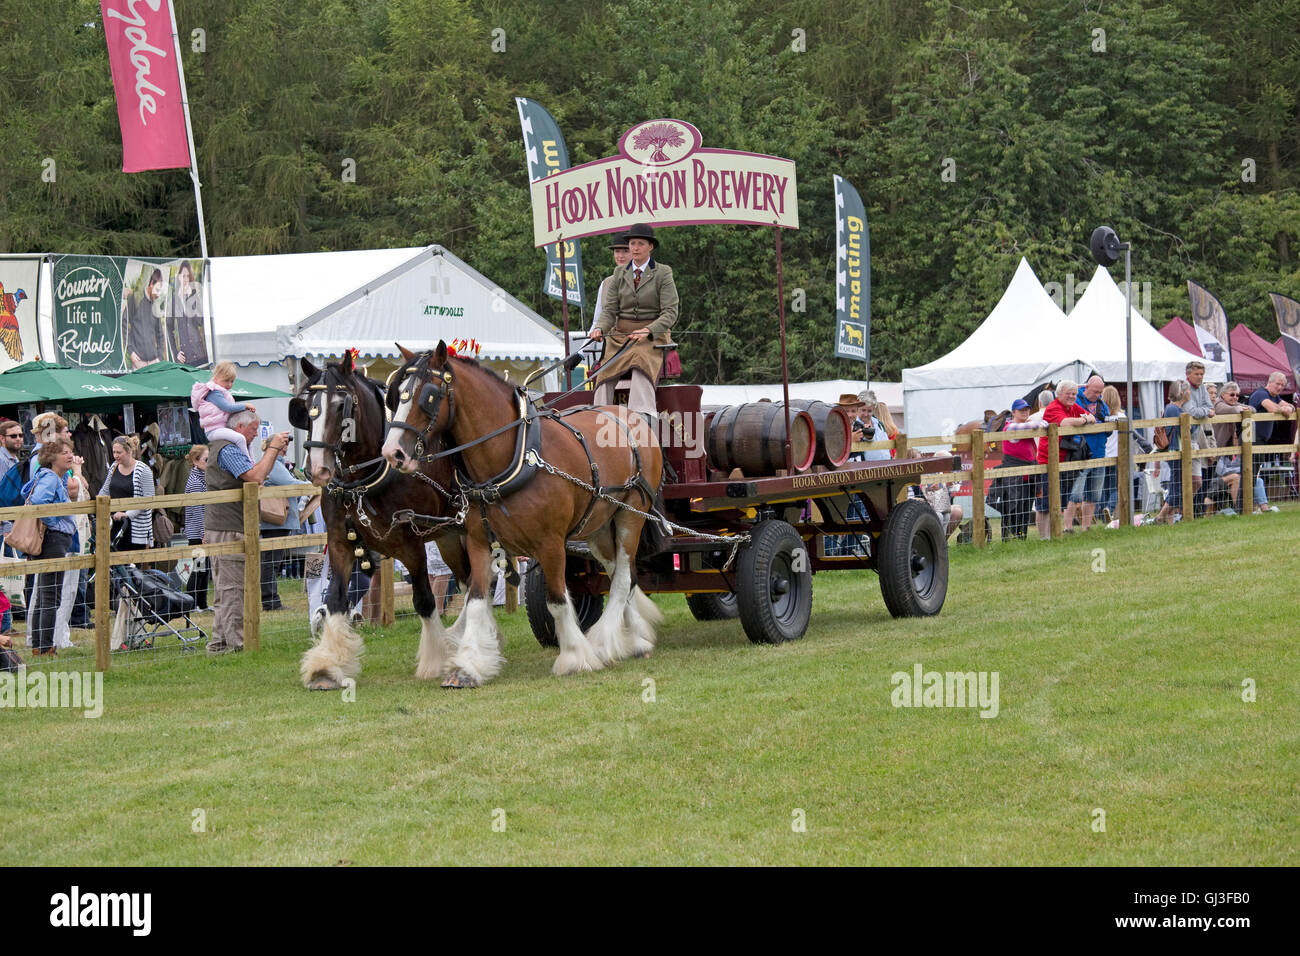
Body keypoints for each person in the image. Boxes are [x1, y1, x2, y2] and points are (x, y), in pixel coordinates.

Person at [203, 410, 290, 655]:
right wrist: (272, 448)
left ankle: (219, 644)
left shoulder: (226, 446)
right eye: (253, 431)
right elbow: (255, 477)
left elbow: (257, 479)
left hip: (224, 526)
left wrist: (270, 452)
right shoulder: (229, 449)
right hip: (229, 527)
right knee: (233, 589)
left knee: (225, 589)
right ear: (239, 427)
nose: (254, 436)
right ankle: (236, 644)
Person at [590, 223, 678, 418]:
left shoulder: (663, 273)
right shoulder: (618, 274)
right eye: (632, 244)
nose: (635, 248)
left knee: (640, 363)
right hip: (620, 336)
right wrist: (599, 328)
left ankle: (642, 416)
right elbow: (610, 310)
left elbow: (670, 313)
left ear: (650, 247)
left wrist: (648, 330)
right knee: (604, 373)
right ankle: (599, 415)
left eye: (640, 243)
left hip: (650, 337)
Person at [22, 439, 78, 657]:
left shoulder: (58, 478)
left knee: (46, 593)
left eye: (70, 452)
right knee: (50, 595)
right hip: (53, 540)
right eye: (65, 452)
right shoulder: (50, 477)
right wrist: (54, 524)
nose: (70, 456)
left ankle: (39, 644)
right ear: (52, 457)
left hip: (53, 539)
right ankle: (45, 647)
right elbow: (38, 503)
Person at [1035, 380, 1095, 537]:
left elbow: (1092, 417)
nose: (1072, 396)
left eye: (1074, 394)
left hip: (1065, 462)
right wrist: (1083, 420)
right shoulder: (1054, 408)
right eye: (1068, 393)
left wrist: (1086, 418)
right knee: (1045, 503)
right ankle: (1044, 537)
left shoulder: (1073, 407)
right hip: (1047, 462)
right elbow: (1065, 423)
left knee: (1058, 502)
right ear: (1058, 394)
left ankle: (1053, 535)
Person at [1212, 381, 1271, 514]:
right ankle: (1240, 509)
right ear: (1223, 394)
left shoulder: (1234, 404)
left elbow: (1253, 409)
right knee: (1239, 478)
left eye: (1237, 395)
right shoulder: (1218, 403)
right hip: (1215, 454)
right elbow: (1231, 410)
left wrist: (1244, 408)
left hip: (1227, 456)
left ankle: (1261, 509)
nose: (1235, 398)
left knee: (1255, 479)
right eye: (1231, 395)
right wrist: (1243, 408)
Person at [258, 443, 300, 612]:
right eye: (283, 445)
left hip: (276, 520)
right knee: (271, 562)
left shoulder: (275, 463)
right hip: (276, 521)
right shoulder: (274, 464)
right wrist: (313, 484)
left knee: (272, 561)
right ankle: (270, 601)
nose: (286, 447)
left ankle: (271, 600)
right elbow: (289, 483)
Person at [990, 398, 1038, 539]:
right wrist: (1036, 423)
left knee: (1024, 509)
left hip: (1027, 476)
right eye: (1021, 410)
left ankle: (1021, 537)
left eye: (1027, 409)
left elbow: (1042, 425)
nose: (1025, 412)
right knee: (1012, 509)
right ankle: (1008, 538)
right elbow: (1038, 426)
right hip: (1013, 477)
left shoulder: (1024, 425)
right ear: (1014, 412)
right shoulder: (1011, 427)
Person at [98, 435, 155, 551]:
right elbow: (104, 491)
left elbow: (148, 500)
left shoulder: (144, 470)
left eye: (119, 452)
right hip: (114, 523)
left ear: (129, 451)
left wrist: (127, 514)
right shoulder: (114, 466)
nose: (115, 456)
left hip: (135, 528)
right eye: (114, 452)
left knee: (132, 565)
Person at [1067, 374, 1109, 531]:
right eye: (1095, 391)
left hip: (1099, 453)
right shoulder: (1075, 402)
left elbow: (1107, 427)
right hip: (1080, 453)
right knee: (1075, 494)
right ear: (1087, 387)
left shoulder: (1102, 405)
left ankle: (1086, 526)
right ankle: (1067, 526)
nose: (1097, 395)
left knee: (1094, 494)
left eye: (1100, 392)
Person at [1247, 371, 1295, 502]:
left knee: (1255, 472)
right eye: (1277, 384)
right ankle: (1246, 504)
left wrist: (1289, 408)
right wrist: (1284, 409)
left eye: (1283, 385)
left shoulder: (1276, 397)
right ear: (1270, 382)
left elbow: (1290, 406)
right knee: (1250, 472)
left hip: (1261, 440)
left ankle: (1252, 504)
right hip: (1252, 438)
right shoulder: (1262, 393)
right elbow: (1272, 408)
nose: (1280, 387)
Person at [191, 361, 256, 458]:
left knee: (247, 439)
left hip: (221, 428)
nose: (229, 384)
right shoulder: (214, 393)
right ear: (216, 378)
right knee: (241, 438)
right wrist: (245, 406)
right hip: (214, 430)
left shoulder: (220, 392)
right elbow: (227, 407)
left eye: (232, 381)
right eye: (226, 380)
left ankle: (253, 462)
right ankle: (248, 463)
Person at [0, 418, 24, 635]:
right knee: (5, 576)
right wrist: (8, 524)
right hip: (4, 527)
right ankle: (5, 626)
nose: (18, 439)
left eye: (20, 435)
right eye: (13, 436)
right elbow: (3, 497)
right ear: (2, 439)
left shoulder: (13, 459)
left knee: (7, 576)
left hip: (9, 524)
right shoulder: (1, 460)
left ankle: (6, 624)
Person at [1154, 381, 1189, 524]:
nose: (1190, 393)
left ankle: (1165, 518)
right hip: (1176, 449)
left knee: (1177, 483)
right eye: (1188, 390)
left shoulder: (1171, 408)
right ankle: (1161, 517)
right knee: (1177, 485)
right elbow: (1184, 431)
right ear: (1182, 392)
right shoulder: (1174, 409)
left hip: (1176, 449)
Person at [183, 444, 210, 610]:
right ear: (196, 461)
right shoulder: (195, 482)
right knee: (198, 567)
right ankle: (193, 602)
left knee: (204, 568)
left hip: (202, 532)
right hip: (197, 534)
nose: (209, 463)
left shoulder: (203, 478)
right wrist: (203, 534)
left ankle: (202, 602)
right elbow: (198, 511)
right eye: (206, 460)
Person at [167, 260, 209, 366]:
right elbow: (168, 327)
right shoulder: (173, 300)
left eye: (187, 276)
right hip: (185, 355)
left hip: (198, 351)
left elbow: (200, 322)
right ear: (178, 276)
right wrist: (175, 352)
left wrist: (191, 298)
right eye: (183, 275)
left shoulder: (194, 296)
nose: (185, 279)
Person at [125, 267, 168, 368]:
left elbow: (160, 334)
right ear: (151, 284)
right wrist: (130, 351)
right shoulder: (135, 299)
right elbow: (124, 326)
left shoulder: (156, 305)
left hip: (154, 362)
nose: (158, 294)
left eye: (160, 291)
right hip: (138, 362)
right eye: (157, 290)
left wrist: (160, 357)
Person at [589, 234, 631, 325]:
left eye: (626, 251)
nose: (620, 256)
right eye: (617, 251)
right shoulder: (605, 283)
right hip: (611, 337)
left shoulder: (645, 279)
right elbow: (597, 320)